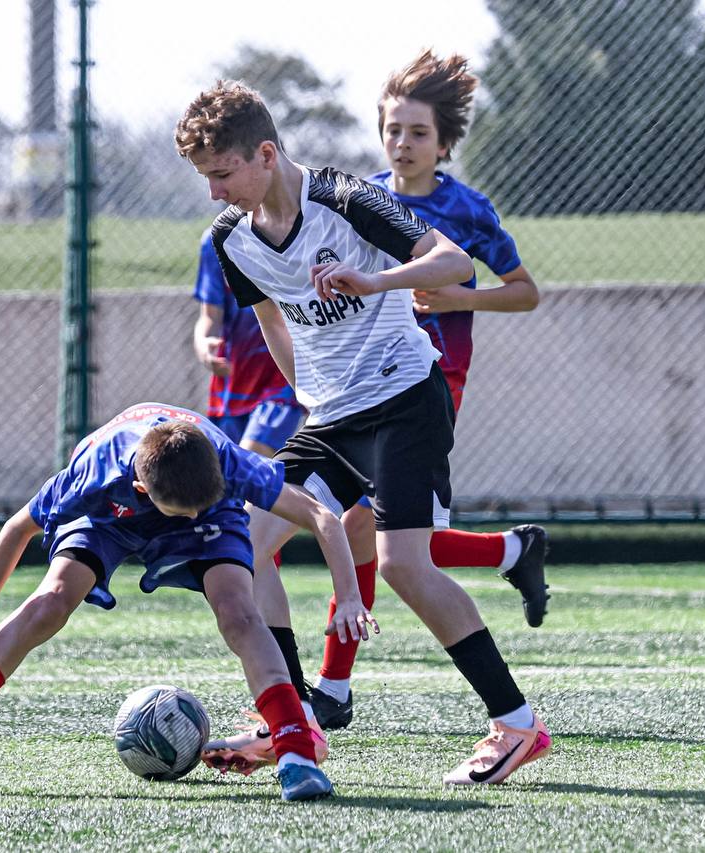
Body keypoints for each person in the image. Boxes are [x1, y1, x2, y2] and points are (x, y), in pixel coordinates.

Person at [175, 83, 552, 786]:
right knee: (243, 543)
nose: (214, 192)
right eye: (206, 178)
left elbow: (455, 263)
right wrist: (308, 394)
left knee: (404, 565)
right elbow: (272, 321)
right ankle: (291, 718)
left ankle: (516, 724)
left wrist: (376, 282)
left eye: (222, 174)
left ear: (265, 154)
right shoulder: (231, 238)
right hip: (331, 418)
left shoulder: (345, 198)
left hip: (406, 398)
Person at [0, 402, 375, 802]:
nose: (192, 516)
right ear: (142, 490)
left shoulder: (226, 462)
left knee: (240, 614)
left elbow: (320, 516)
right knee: (51, 601)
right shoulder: (93, 475)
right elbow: (16, 529)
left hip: (212, 512)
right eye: (184, 510)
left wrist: (350, 598)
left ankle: (296, 756)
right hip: (108, 519)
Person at [309, 49, 551, 732]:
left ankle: (332, 687)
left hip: (431, 386)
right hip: (362, 385)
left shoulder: (466, 210)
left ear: (444, 143)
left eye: (418, 132)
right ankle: (513, 551)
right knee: (380, 534)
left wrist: (458, 299)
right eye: (393, 130)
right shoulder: (360, 202)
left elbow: (525, 292)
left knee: (375, 533)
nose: (403, 143)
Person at [192, 228, 306, 460]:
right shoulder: (216, 239)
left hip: (284, 377)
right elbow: (210, 315)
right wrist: (203, 345)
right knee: (229, 469)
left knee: (250, 457)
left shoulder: (297, 229)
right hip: (234, 383)